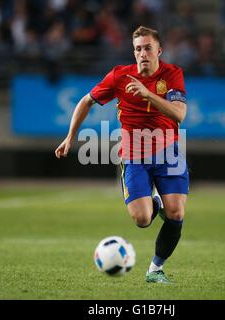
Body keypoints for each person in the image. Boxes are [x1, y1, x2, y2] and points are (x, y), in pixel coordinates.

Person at [55, 26, 189, 283]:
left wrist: (148, 93)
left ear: (158, 51)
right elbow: (86, 101)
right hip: (134, 155)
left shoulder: (172, 74)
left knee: (177, 214)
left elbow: (179, 114)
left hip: (168, 152)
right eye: (138, 49)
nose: (143, 53)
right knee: (141, 219)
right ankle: (154, 205)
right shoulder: (119, 76)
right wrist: (70, 136)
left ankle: (155, 270)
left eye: (148, 48)